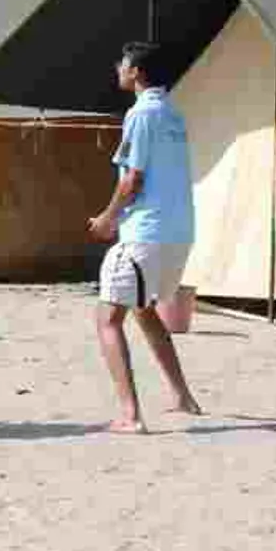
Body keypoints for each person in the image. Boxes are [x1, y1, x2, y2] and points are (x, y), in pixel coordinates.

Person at [88, 42, 205, 434]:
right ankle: (182, 397)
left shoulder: (141, 114)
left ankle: (130, 415)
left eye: (122, 63)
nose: (117, 67)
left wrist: (107, 218)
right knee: (143, 309)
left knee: (107, 318)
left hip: (146, 233)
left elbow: (133, 179)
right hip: (179, 232)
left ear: (136, 71)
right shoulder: (174, 114)